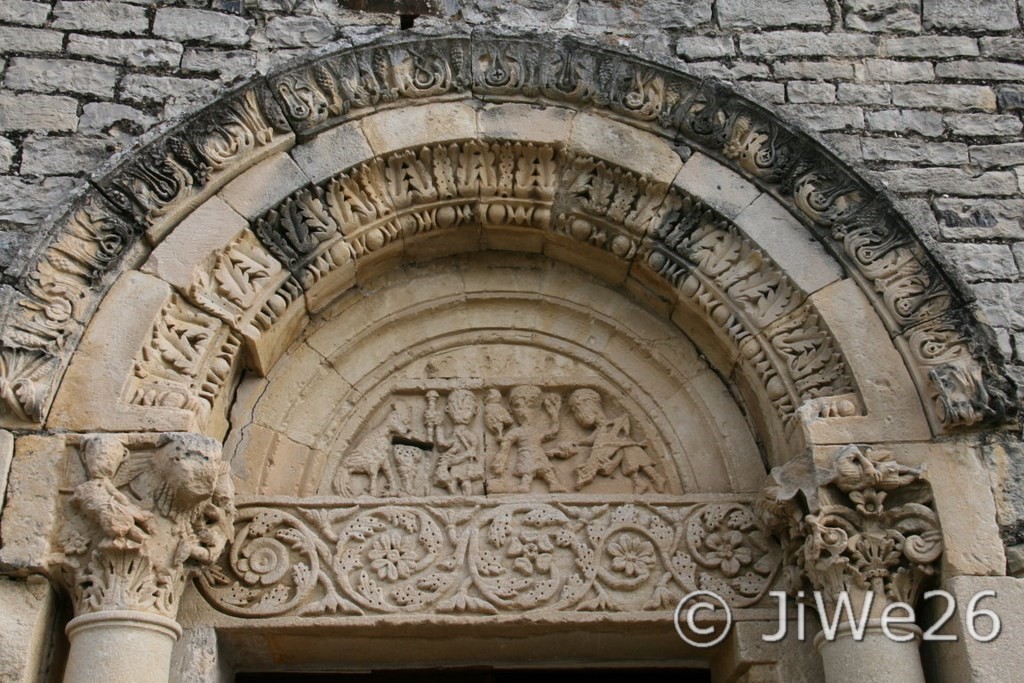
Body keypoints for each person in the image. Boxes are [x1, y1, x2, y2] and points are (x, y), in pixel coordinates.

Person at [565, 388, 666, 493]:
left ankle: (649, 479)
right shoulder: (602, 429)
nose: (577, 416)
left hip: (619, 445)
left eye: (577, 410)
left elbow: (620, 437)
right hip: (616, 449)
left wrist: (615, 456)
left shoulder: (614, 425)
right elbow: (591, 439)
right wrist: (578, 443)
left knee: (630, 449)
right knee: (629, 450)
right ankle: (646, 479)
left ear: (588, 405)